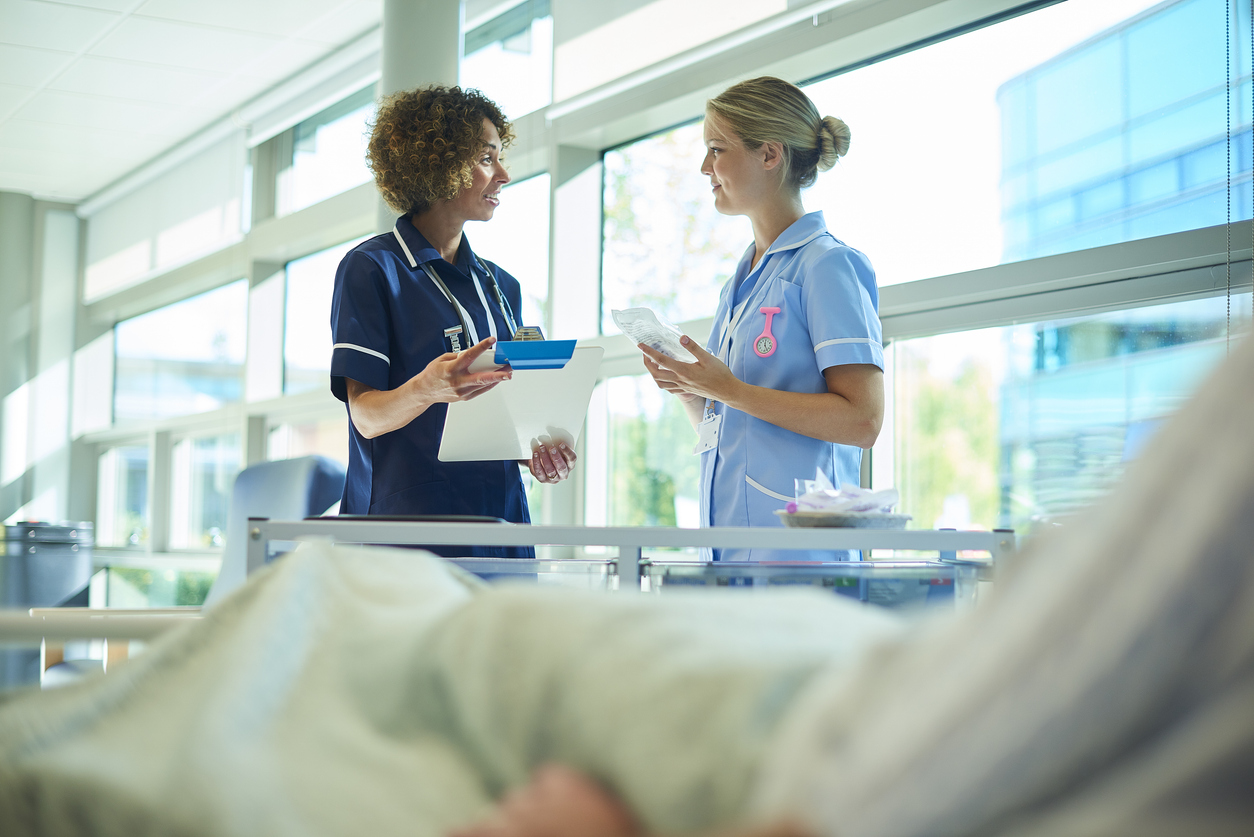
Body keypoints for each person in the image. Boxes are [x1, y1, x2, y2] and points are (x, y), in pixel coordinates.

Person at [639, 77, 884, 562]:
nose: (705, 167)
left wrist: (730, 390)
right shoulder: (740, 282)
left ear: (770, 154)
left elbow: (863, 420)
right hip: (730, 556)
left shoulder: (827, 265)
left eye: (716, 149)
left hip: (805, 561)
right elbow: (736, 428)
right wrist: (692, 392)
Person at [329, 85, 575, 556]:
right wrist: (426, 388)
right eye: (486, 158)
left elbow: (507, 417)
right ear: (438, 164)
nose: (503, 174)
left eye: (500, 157)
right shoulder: (374, 269)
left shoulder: (501, 286)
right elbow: (365, 417)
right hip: (406, 538)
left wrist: (537, 452)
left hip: (501, 528)